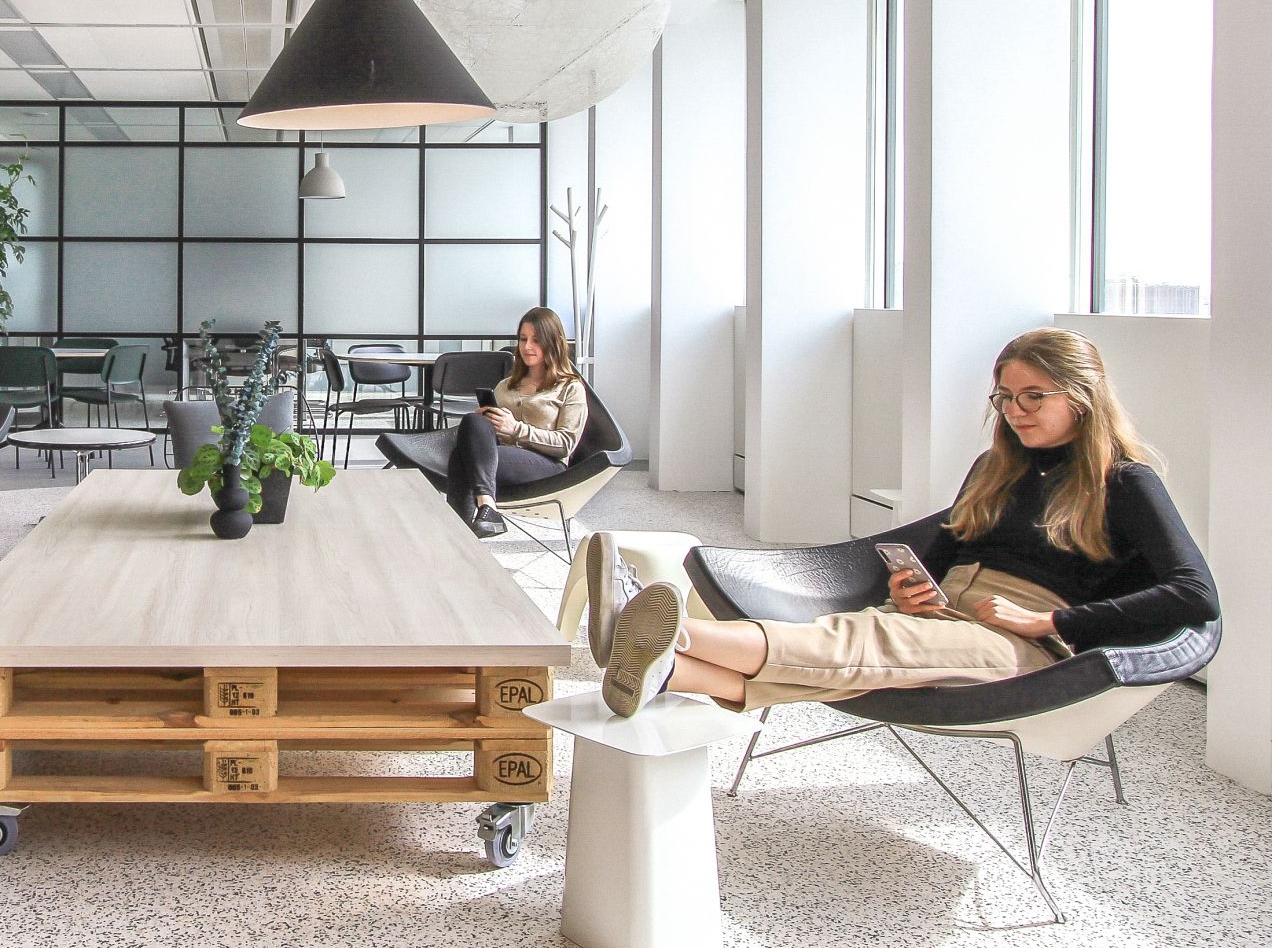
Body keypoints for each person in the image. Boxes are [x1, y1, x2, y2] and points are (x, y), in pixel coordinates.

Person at [591, 327, 1220, 718]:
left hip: (1024, 643)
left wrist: (1051, 622)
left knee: (854, 644)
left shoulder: (1124, 482)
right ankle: (666, 669)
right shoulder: (996, 468)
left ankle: (654, 631)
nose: (1016, 411)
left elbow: (1195, 594)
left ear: (1081, 398)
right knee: (857, 653)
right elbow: (946, 548)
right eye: (1005, 397)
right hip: (946, 612)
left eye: (1035, 397)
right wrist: (913, 587)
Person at [416, 306, 589, 539]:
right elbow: (491, 438)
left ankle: (460, 536)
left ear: (554, 342)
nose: (527, 347)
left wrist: (515, 428)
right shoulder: (505, 386)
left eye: (536, 340)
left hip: (547, 463)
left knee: (462, 458)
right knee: (473, 422)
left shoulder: (570, 387)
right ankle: (486, 511)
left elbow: (566, 444)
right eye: (523, 339)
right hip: (501, 457)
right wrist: (488, 425)